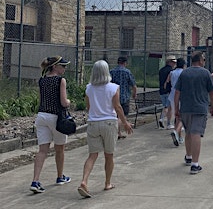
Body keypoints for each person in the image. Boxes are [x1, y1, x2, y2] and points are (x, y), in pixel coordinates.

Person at [77, 60, 134, 198]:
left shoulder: (89, 88)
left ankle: (84, 181)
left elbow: (89, 107)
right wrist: (125, 123)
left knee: (92, 155)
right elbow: (117, 107)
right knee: (109, 155)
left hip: (93, 123)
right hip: (109, 122)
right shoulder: (114, 87)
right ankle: (107, 183)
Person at [30, 56, 71, 193]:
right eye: (63, 66)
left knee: (42, 150)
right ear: (55, 66)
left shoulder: (42, 80)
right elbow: (64, 102)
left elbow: (41, 100)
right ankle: (60, 177)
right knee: (59, 148)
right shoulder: (60, 80)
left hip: (42, 116)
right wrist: (69, 102)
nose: (64, 68)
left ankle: (35, 181)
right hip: (56, 117)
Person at [174, 51, 213, 174]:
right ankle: (195, 164)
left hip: (186, 107)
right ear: (200, 60)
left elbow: (177, 92)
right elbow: (212, 92)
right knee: (196, 133)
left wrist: (176, 108)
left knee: (188, 132)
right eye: (204, 59)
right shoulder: (205, 73)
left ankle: (188, 156)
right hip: (200, 108)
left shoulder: (184, 73)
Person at [110, 56, 136, 138]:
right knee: (122, 115)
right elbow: (133, 85)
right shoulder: (127, 72)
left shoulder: (112, 72)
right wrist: (134, 94)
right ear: (125, 63)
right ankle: (117, 132)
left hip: (113, 96)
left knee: (115, 115)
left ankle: (118, 132)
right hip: (125, 96)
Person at [167, 58, 186, 146]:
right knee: (181, 117)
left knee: (176, 115)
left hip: (172, 95)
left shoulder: (172, 72)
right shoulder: (184, 73)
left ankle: (178, 134)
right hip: (182, 95)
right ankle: (178, 134)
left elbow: (168, 81)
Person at [159, 56, 176, 129]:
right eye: (173, 62)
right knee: (168, 107)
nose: (174, 64)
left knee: (165, 105)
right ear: (170, 62)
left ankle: (162, 119)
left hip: (161, 90)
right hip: (169, 91)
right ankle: (165, 121)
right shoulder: (171, 71)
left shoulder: (161, 70)